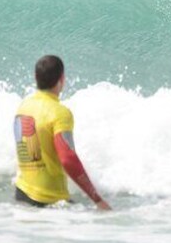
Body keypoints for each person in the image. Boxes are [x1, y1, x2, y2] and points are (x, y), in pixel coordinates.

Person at [13, 55, 111, 210]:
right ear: (62, 79)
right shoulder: (60, 113)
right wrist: (96, 198)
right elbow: (68, 159)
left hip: (21, 194)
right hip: (48, 202)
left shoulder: (24, 106)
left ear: (35, 77)